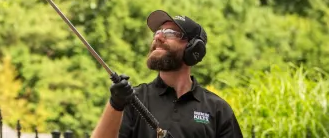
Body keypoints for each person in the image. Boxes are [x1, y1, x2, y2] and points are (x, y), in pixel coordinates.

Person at [91, 10, 243, 138]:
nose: (158, 37)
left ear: (194, 49)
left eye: (170, 33)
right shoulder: (133, 100)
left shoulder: (218, 109)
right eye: (158, 32)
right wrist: (115, 104)